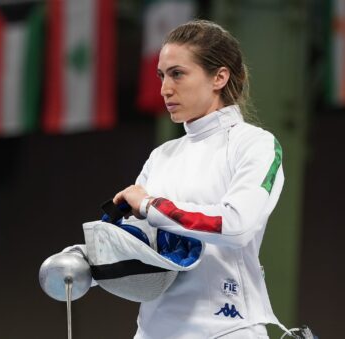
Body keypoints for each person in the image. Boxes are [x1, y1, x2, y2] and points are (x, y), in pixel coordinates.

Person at [112, 20, 287, 338]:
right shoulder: (161, 156)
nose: (165, 88)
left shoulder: (255, 144)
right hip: (152, 330)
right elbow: (142, 246)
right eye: (161, 75)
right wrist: (92, 255)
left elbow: (236, 225)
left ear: (219, 77)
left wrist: (150, 205)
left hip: (228, 328)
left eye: (177, 74)